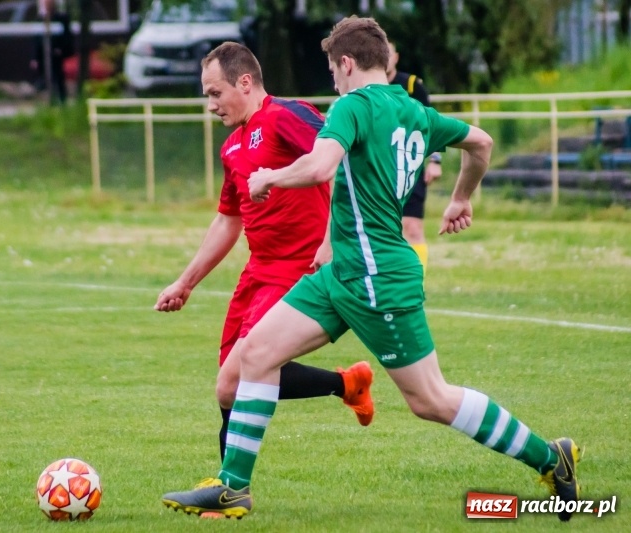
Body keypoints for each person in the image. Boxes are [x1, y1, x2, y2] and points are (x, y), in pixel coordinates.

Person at [161, 16, 581, 522]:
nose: (333, 82)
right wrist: (460, 199)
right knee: (256, 354)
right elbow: (482, 143)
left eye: (332, 71)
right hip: (340, 273)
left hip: (379, 277)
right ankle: (233, 488)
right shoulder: (417, 112)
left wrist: (271, 175)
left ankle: (549, 456)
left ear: (346, 64)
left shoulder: (352, 106)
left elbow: (319, 167)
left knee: (430, 399)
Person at [154, 41, 375, 464]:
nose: (211, 106)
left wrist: (333, 238)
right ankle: (346, 385)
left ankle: (228, 488)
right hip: (258, 272)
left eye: (215, 94)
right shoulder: (232, 148)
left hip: (300, 270)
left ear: (245, 81)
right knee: (229, 385)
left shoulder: (286, 116)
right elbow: (228, 220)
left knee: (234, 380)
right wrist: (185, 283)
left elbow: (345, 159)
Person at [387, 40, 442, 274]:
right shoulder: (368, 89)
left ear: (396, 57)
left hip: (411, 165)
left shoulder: (411, 85)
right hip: (383, 167)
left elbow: (431, 124)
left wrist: (435, 160)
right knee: (389, 229)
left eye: (388, 53)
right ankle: (393, 279)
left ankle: (417, 281)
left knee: (412, 227)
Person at [30, 0, 74, 104]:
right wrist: (34, 57)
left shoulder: (61, 19)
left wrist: (61, 49)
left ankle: (62, 100)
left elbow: (67, 37)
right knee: (43, 77)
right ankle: (48, 99)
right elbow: (36, 41)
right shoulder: (40, 20)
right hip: (43, 56)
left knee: (58, 76)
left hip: (56, 55)